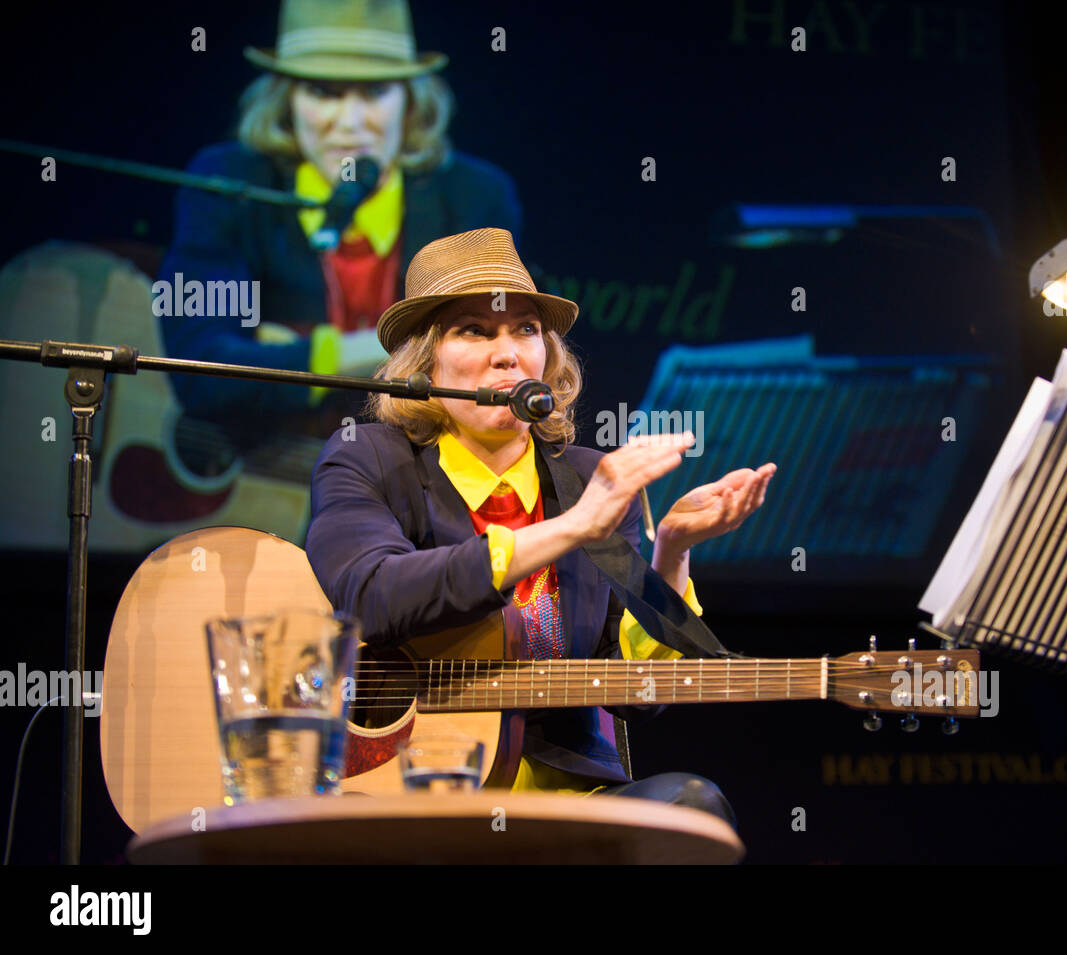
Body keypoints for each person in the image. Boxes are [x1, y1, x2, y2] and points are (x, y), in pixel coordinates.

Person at [305, 228, 777, 826]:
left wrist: (673, 554)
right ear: (425, 363)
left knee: (693, 810)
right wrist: (572, 528)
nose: (509, 353)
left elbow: (637, 694)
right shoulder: (368, 458)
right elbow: (372, 595)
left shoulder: (588, 480)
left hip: (570, 799)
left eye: (525, 329)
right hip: (411, 791)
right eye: (474, 330)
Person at [158, 0, 522, 447]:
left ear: (410, 100)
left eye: (374, 93)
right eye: (324, 93)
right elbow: (202, 375)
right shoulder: (228, 182)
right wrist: (413, 347)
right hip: (265, 480)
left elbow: (492, 370)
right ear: (286, 99)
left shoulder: (475, 195)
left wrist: (288, 354)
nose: (349, 123)